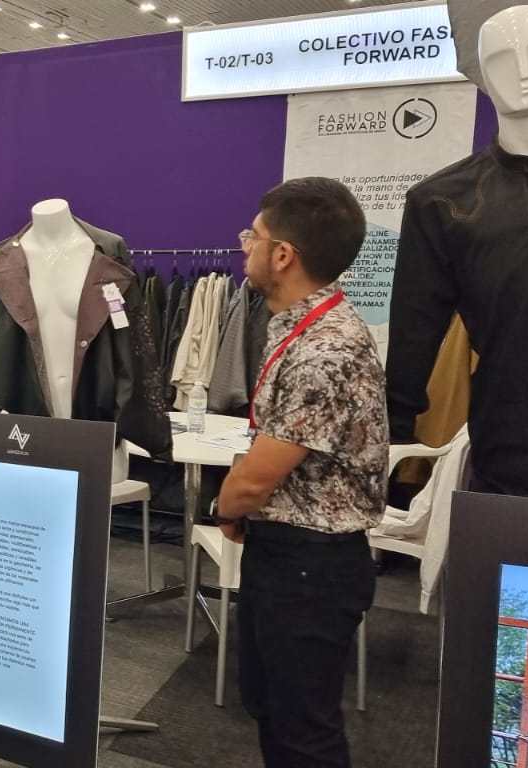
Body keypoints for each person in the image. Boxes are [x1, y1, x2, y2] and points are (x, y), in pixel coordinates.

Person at [215, 177, 386, 767]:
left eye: (254, 237)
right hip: (289, 552)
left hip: (311, 566)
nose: (245, 247)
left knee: (303, 733)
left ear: (283, 254)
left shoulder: (325, 350)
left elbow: (256, 479)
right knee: (274, 709)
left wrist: (225, 506)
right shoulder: (296, 326)